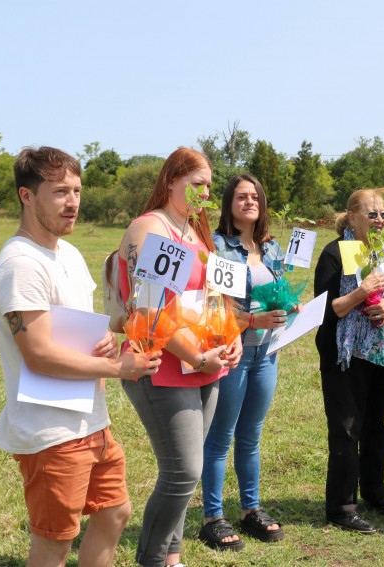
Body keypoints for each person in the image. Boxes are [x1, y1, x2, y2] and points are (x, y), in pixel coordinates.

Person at [0, 146, 162, 567]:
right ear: (26, 196)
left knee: (115, 513)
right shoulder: (20, 264)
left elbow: (77, 327)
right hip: (50, 431)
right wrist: (117, 367)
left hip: (90, 420)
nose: (73, 202)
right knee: (55, 542)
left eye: (77, 191)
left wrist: (107, 336)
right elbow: (39, 355)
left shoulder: (67, 253)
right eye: (60, 192)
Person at [118, 147, 243, 567]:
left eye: (208, 186)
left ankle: (173, 559)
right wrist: (199, 356)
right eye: (196, 184)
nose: (204, 193)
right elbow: (149, 310)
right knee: (183, 471)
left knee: (187, 473)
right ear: (171, 180)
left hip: (205, 365)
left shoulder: (195, 231)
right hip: (160, 365)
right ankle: (152, 561)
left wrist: (231, 335)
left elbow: (214, 296)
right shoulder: (150, 228)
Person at [314, 187, 384, 534]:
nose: (379, 220)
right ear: (352, 217)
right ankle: (341, 508)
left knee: (375, 426)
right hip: (344, 356)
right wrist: (362, 292)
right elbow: (327, 309)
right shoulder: (336, 252)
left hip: (383, 352)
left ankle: (375, 496)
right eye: (372, 214)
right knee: (346, 429)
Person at [199, 173, 293, 550]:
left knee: (251, 436)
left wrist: (290, 305)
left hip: (266, 355)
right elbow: (213, 307)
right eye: (241, 196)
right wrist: (252, 321)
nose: (249, 201)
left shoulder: (272, 247)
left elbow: (279, 293)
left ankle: (250, 509)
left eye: (255, 196)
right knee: (221, 436)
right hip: (232, 353)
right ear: (229, 204)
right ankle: (213, 517)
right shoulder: (218, 246)